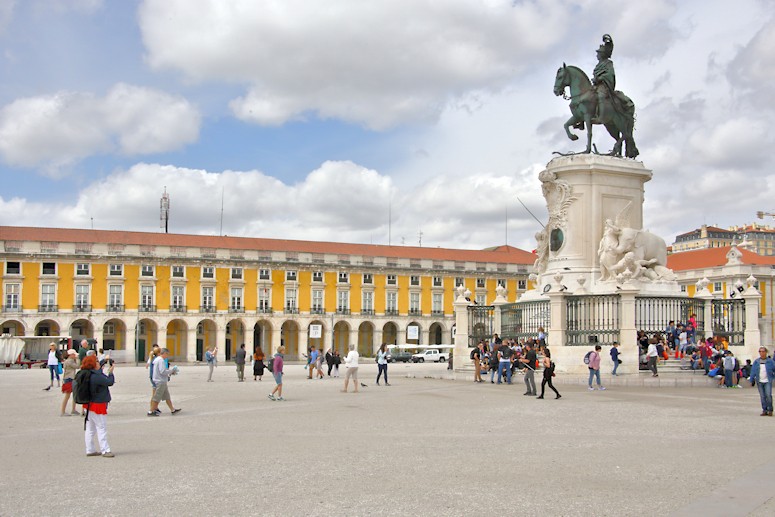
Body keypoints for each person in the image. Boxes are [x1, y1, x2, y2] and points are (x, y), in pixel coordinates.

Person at [80, 354, 115, 457]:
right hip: (98, 405)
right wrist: (111, 372)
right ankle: (105, 450)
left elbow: (99, 371)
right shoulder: (96, 377)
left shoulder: (88, 374)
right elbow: (109, 382)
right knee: (101, 427)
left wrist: (103, 361)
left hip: (89, 404)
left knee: (90, 429)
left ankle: (90, 449)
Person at [148, 348, 181, 416]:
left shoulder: (157, 359)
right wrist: (171, 371)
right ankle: (151, 411)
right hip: (160, 381)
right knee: (157, 397)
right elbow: (162, 371)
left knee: (167, 396)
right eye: (167, 354)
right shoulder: (161, 360)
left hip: (161, 380)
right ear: (164, 353)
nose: (167, 356)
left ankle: (172, 409)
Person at [750, 347, 775, 416]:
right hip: (759, 381)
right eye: (760, 351)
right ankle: (764, 410)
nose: (762, 353)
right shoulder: (756, 361)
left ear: (766, 352)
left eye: (763, 351)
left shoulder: (770, 361)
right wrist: (751, 379)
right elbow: (753, 371)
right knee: (762, 396)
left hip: (767, 380)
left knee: (768, 395)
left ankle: (770, 409)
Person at [60, 348, 80, 416]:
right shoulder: (69, 361)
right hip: (69, 378)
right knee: (67, 396)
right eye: (74, 355)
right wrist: (77, 359)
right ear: (71, 355)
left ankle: (73, 409)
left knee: (74, 395)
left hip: (70, 378)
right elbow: (77, 366)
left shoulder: (69, 360)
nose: (75, 356)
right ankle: (63, 411)